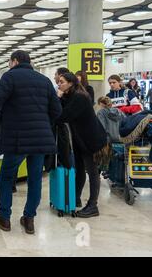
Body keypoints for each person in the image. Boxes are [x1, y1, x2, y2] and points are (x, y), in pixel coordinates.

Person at [0, 50, 62, 234]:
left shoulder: (10, 77)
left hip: (17, 139)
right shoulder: (44, 81)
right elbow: (57, 111)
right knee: (34, 179)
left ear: (14, 61)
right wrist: (43, 125)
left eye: (9, 62)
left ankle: (4, 217)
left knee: (5, 176)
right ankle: (29, 219)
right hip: (40, 139)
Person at [56, 73, 107, 218]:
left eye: (62, 82)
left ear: (71, 83)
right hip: (80, 139)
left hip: (92, 140)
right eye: (58, 82)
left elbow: (63, 116)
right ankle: (76, 198)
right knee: (79, 169)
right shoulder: (70, 96)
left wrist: (58, 97)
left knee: (92, 172)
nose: (59, 84)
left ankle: (93, 205)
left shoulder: (79, 97)